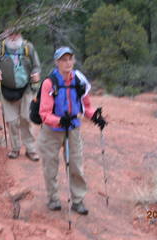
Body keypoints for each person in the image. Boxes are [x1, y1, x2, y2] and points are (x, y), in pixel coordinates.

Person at [37, 46, 107, 215]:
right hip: (51, 131)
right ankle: (53, 198)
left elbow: (86, 106)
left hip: (73, 128)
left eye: (70, 59)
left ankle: (77, 200)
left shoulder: (79, 81)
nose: (67, 63)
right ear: (57, 62)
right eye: (63, 59)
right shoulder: (49, 83)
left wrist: (95, 117)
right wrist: (60, 120)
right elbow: (44, 113)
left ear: (73, 60)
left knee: (76, 165)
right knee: (50, 166)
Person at [0, 30, 41, 161]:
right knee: (12, 122)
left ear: (20, 33)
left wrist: (36, 75)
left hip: (26, 89)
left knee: (26, 119)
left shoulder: (28, 47)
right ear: (5, 34)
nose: (13, 37)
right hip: (7, 90)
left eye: (16, 33)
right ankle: (15, 149)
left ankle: (31, 150)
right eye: (10, 33)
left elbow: (36, 66)